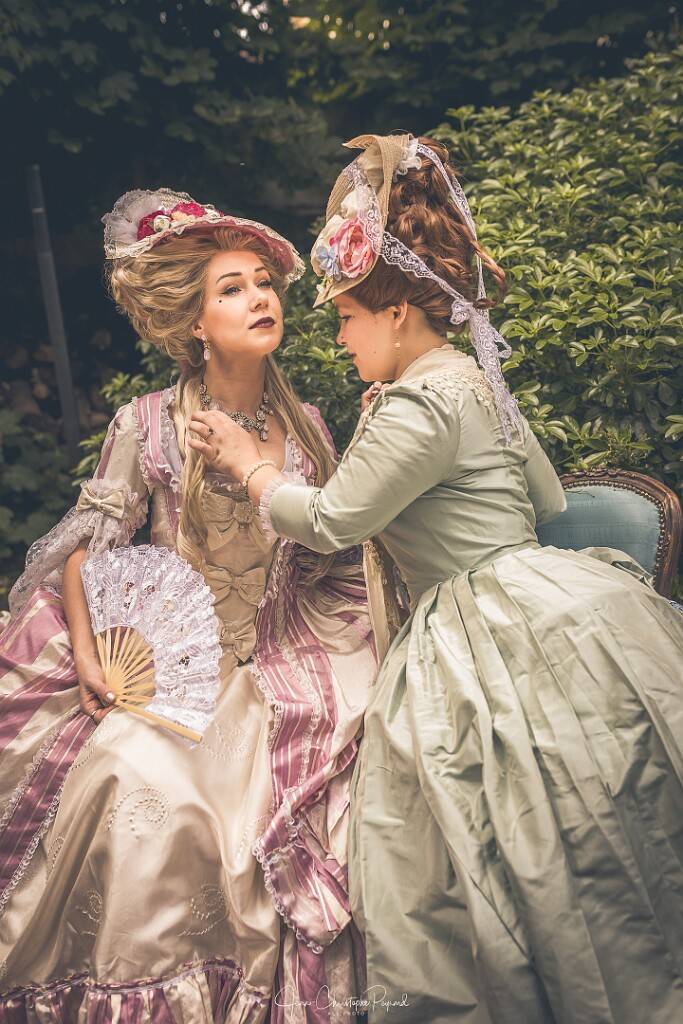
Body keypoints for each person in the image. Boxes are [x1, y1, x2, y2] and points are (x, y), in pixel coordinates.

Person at [188, 136, 683, 1023]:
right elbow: (543, 498)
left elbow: (332, 519)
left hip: (472, 620)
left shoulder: (416, 401)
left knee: (463, 839)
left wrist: (248, 467)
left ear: (396, 316)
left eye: (347, 318)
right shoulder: (475, 381)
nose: (339, 337)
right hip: (557, 597)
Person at [0, 189, 376, 1021]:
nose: (260, 299)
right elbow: (86, 551)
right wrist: (91, 659)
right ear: (196, 324)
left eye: (264, 285)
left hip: (289, 648)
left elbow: (336, 545)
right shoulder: (146, 423)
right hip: (177, 672)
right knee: (134, 785)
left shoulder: (308, 426)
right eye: (232, 289)